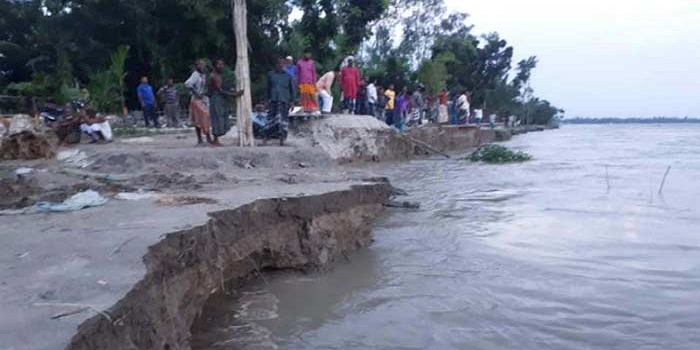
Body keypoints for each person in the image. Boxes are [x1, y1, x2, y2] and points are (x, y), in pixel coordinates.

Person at [208, 59, 244, 146]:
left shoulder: (219, 76)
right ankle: (215, 140)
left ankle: (214, 139)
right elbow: (220, 90)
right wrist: (235, 94)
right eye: (219, 64)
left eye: (222, 64)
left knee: (221, 118)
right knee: (217, 118)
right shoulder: (213, 76)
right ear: (214, 66)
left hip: (220, 99)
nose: (221, 66)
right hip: (216, 99)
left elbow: (223, 88)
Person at [268, 58, 296, 142]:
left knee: (283, 119)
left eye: (282, 64)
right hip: (273, 99)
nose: (280, 66)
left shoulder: (288, 76)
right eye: (278, 64)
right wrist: (266, 100)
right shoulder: (271, 75)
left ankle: (282, 138)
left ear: (284, 65)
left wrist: (292, 102)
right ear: (276, 65)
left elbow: (292, 90)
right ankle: (269, 136)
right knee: (271, 119)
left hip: (284, 100)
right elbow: (268, 88)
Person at [185, 59, 212, 145]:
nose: (203, 67)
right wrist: (196, 93)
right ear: (197, 66)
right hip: (197, 99)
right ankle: (202, 138)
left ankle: (206, 137)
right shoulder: (195, 75)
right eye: (201, 65)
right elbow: (188, 84)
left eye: (203, 65)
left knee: (204, 117)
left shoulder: (203, 75)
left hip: (203, 98)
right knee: (199, 118)